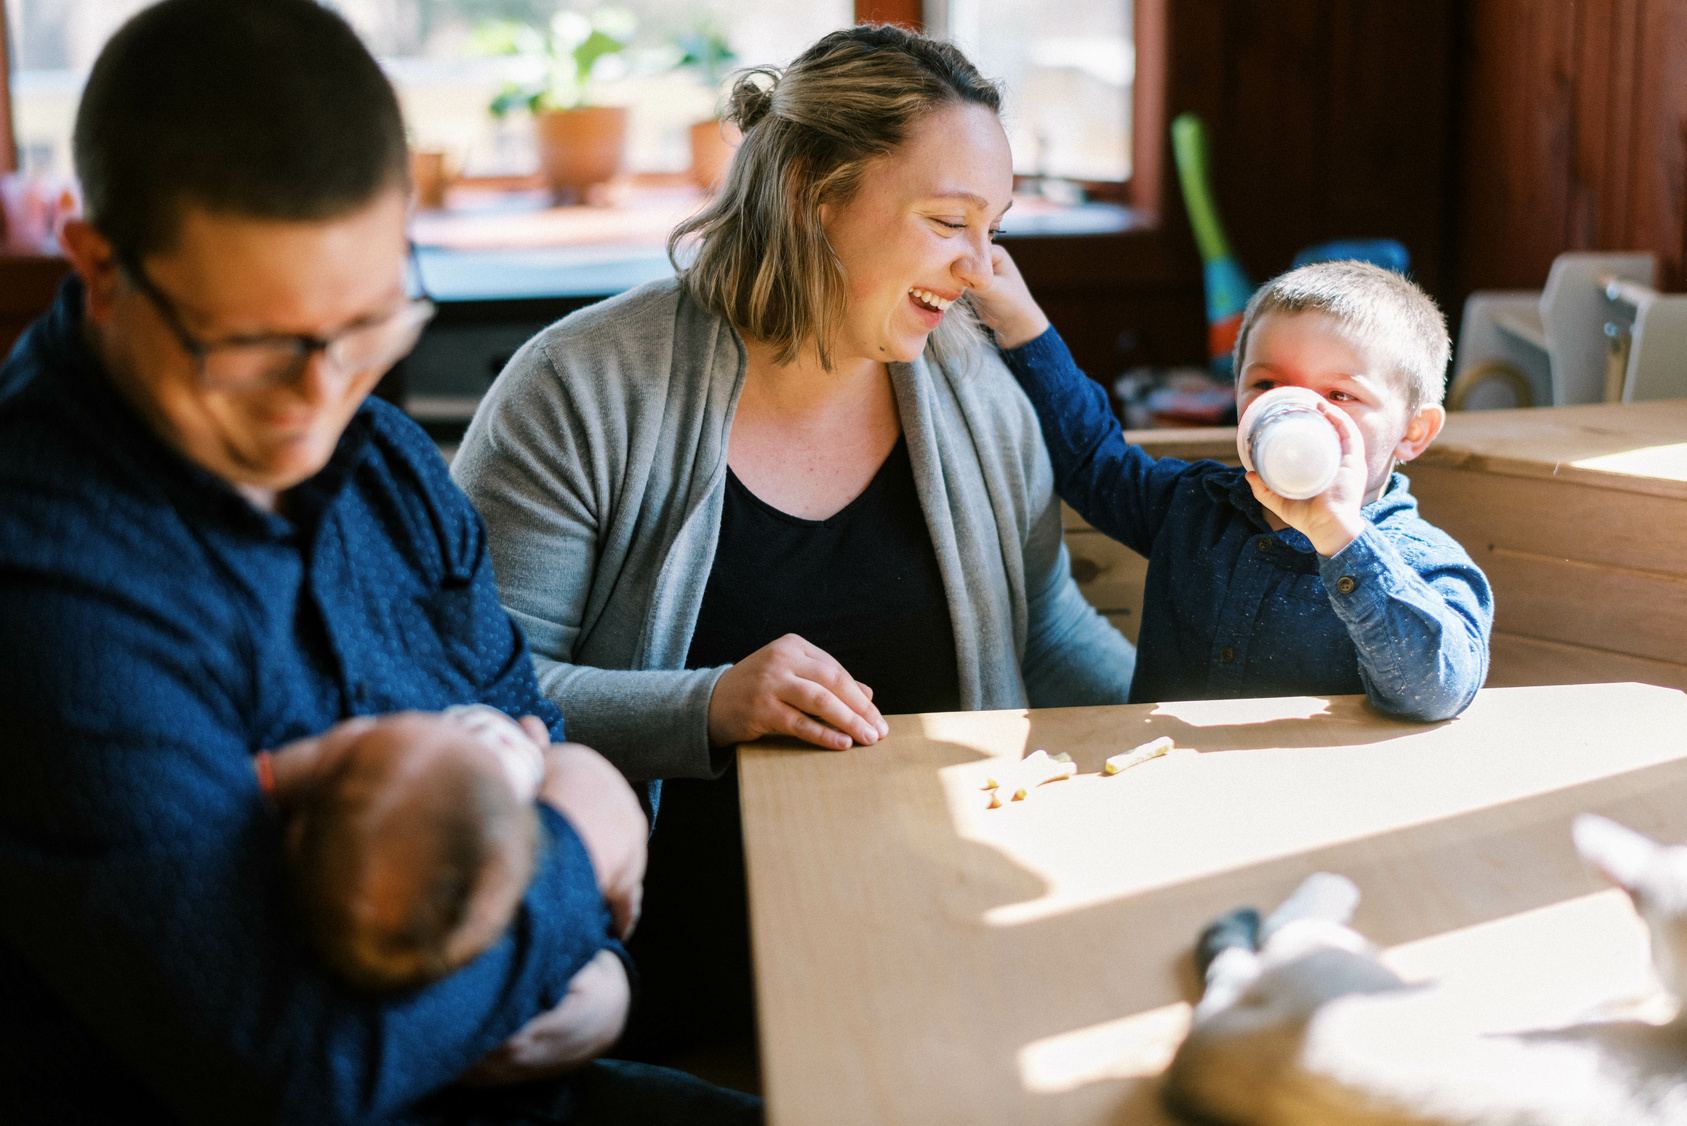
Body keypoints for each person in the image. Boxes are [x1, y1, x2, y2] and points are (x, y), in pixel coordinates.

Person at [0, 1, 756, 1123]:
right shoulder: (46, 584)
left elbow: (522, 741)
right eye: (252, 347)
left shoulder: (387, 464)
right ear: (100, 267)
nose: (317, 404)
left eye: (367, 327)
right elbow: (299, 1065)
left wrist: (598, 985)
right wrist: (587, 829)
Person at [451, 25, 1137, 1055]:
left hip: (947, 956)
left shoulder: (977, 388)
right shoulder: (578, 389)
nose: (979, 268)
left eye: (991, 228)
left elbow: (1042, 626)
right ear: (813, 195)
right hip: (657, 988)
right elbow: (480, 701)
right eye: (948, 221)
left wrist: (1204, 719)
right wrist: (711, 702)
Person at [970, 254, 1493, 721]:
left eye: (1339, 394)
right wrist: (1021, 323)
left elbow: (1437, 692)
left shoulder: (1425, 563)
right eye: (1267, 386)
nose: (1298, 411)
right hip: (1164, 784)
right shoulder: (1194, 504)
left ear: (1413, 432)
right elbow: (1093, 463)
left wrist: (1343, 540)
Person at [259, 708, 552, 994]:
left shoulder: (439, 779)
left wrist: (281, 772)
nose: (355, 724)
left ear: (298, 831)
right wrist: (534, 747)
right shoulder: (517, 778)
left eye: (368, 731)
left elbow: (261, 778)